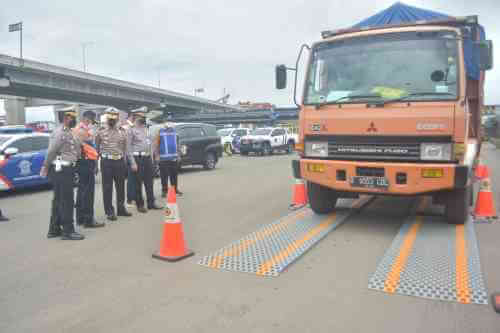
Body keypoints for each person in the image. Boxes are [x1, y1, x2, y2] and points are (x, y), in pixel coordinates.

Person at [41, 107, 84, 240]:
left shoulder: (69, 132)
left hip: (65, 168)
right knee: (66, 200)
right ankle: (68, 231)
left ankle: (54, 229)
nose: (74, 120)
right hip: (61, 168)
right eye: (72, 117)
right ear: (66, 118)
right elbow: (51, 151)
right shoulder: (60, 132)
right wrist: (45, 167)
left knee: (59, 200)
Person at [95, 107, 132, 221]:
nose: (111, 120)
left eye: (113, 118)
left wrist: (125, 161)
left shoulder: (122, 131)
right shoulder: (100, 130)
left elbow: (125, 148)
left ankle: (121, 209)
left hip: (119, 161)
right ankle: (109, 211)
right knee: (107, 187)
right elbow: (97, 149)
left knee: (121, 186)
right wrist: (96, 165)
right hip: (106, 162)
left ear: (117, 118)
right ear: (107, 117)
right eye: (109, 117)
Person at [74, 110, 105, 229]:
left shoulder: (80, 129)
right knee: (88, 193)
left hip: (84, 163)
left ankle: (80, 218)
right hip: (85, 163)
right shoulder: (82, 130)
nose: (92, 123)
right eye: (92, 121)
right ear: (88, 119)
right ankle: (89, 220)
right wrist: (93, 130)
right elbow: (86, 142)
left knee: (82, 191)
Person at [127, 110, 162, 212]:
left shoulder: (146, 129)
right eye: (141, 117)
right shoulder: (131, 130)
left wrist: (152, 157)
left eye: (144, 116)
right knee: (138, 183)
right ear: (136, 117)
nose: (143, 119)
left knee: (149, 182)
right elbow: (128, 148)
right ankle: (140, 204)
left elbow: (150, 144)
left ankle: (151, 203)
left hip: (147, 158)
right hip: (137, 158)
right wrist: (132, 162)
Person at [153, 122, 183, 198]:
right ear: (165, 127)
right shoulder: (160, 133)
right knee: (164, 176)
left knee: (174, 175)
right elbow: (156, 145)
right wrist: (157, 156)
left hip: (174, 158)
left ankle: (174, 190)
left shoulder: (175, 133)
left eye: (171, 127)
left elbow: (178, 144)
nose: (170, 129)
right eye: (168, 127)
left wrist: (179, 155)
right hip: (163, 159)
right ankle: (164, 191)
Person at [121, 112, 137, 208]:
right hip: (129, 155)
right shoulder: (127, 128)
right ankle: (130, 199)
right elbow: (126, 145)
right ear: (131, 117)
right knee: (131, 178)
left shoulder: (131, 127)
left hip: (132, 155)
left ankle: (133, 197)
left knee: (134, 178)